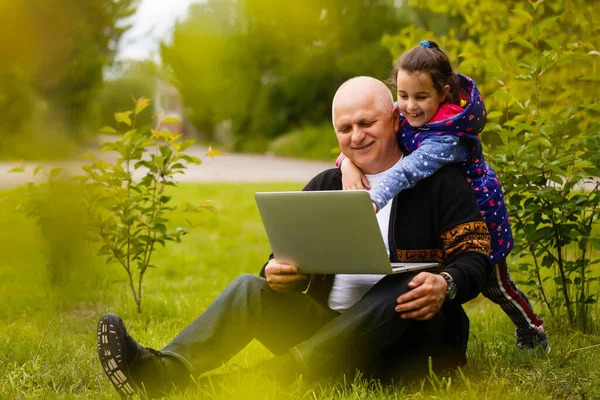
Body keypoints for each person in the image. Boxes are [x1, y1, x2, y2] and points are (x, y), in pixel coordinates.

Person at [97, 76, 492, 399]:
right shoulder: (327, 184)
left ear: (393, 118)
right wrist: (278, 271)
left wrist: (445, 282)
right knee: (249, 287)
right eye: (345, 128)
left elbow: (477, 256)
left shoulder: (439, 181)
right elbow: (284, 257)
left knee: (406, 280)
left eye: (366, 123)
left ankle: (276, 376)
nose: (356, 136)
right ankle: (163, 373)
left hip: (411, 347)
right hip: (327, 337)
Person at [336, 40, 549, 352]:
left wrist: (374, 197)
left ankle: (531, 329)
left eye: (421, 97)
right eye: (403, 96)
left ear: (443, 93)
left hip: (478, 216)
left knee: (497, 286)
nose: (410, 106)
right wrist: (346, 164)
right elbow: (369, 139)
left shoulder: (447, 137)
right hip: (442, 218)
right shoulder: (407, 115)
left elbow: (408, 170)